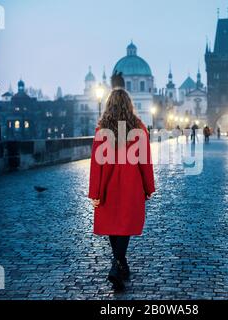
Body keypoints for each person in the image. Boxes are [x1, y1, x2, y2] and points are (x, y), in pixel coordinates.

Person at [89, 88, 156, 292]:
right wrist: (148, 186)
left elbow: (96, 164)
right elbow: (145, 161)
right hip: (131, 184)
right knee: (124, 225)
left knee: (113, 224)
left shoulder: (102, 129)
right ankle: (117, 266)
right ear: (129, 105)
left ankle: (120, 264)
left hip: (108, 184)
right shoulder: (139, 128)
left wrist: (95, 193)